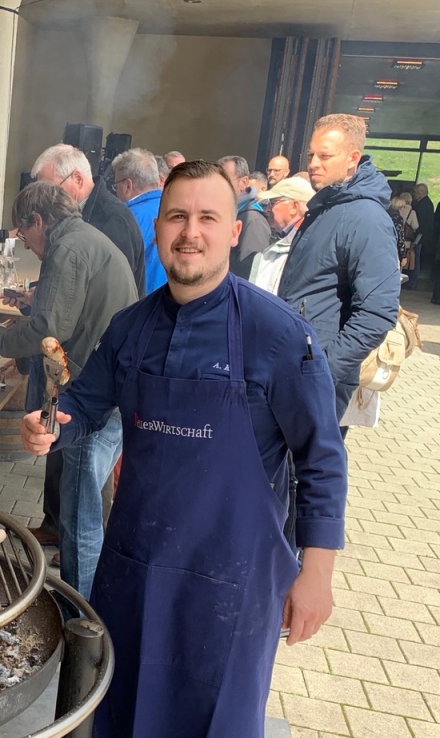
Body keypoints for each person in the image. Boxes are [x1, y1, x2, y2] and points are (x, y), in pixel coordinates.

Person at [21, 160, 347, 738]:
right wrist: (51, 425)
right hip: (136, 568)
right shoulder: (131, 327)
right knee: (122, 712)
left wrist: (316, 571)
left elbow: (320, 457)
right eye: (176, 217)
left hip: (232, 580)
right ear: (158, 229)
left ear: (234, 231)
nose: (189, 232)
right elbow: (85, 404)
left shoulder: (278, 334)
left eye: (207, 218)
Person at [0, 181, 136, 600]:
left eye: (23, 231)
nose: (26, 243)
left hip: (94, 399)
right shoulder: (84, 238)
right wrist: (31, 303)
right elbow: (74, 310)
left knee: (79, 514)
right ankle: (83, 592)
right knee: (83, 505)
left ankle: (81, 612)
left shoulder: (67, 247)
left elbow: (50, 330)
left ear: (39, 220)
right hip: (110, 390)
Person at [29, 144, 146, 552]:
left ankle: (82, 576)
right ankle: (57, 526)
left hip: (99, 375)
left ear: (75, 180)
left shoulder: (107, 219)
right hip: (90, 372)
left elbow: (90, 308)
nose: (50, 201)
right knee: (73, 476)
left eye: (52, 189)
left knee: (86, 496)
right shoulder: (84, 220)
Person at [278, 114, 401, 425]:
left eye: (325, 155)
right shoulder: (329, 206)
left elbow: (377, 312)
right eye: (310, 155)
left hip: (318, 376)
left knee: (310, 468)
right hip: (295, 365)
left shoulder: (366, 218)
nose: (314, 163)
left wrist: (322, 370)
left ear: (352, 158)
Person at [32, 144, 145, 294]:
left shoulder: (113, 219)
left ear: (78, 179)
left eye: (51, 189)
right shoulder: (72, 214)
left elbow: (114, 295)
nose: (44, 200)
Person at [111, 148, 166, 294]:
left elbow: (115, 275)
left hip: (142, 306)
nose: (116, 192)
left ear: (128, 185)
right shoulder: (175, 209)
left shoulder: (127, 219)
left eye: (116, 185)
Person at [249, 175, 315, 294]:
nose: (268, 209)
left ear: (294, 207)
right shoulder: (290, 242)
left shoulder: (308, 247)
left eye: (273, 203)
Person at [219, 155, 272, 277]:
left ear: (243, 183)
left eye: (224, 180)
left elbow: (249, 273)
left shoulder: (253, 221)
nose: (217, 186)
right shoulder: (226, 213)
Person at [409, 183, 434, 289]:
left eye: (415, 192)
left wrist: (416, 240)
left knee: (416, 258)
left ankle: (412, 282)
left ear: (420, 193)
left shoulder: (423, 205)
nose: (413, 194)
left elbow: (421, 224)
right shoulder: (427, 203)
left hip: (419, 236)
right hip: (423, 235)